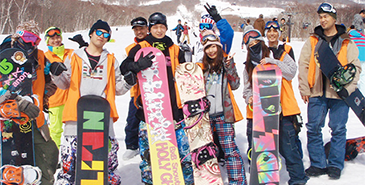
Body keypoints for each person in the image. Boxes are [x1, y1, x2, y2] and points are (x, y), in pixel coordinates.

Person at [52, 19, 132, 185]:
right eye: (99, 32)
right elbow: (64, 83)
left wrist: (128, 82)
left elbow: (118, 88)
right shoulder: (75, 57)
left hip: (102, 120)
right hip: (76, 119)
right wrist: (56, 74)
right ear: (91, 34)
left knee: (106, 167)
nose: (102, 37)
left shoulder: (110, 59)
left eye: (106, 34)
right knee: (70, 168)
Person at [119, 12, 194, 185]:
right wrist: (137, 66)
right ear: (150, 29)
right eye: (155, 27)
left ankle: (187, 181)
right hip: (149, 109)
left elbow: (185, 73)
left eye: (162, 27)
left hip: (174, 109)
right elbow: (124, 67)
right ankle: (149, 181)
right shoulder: (141, 46)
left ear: (166, 28)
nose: (159, 30)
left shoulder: (174, 48)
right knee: (150, 154)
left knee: (183, 152)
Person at [298, 2, 361, 179]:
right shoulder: (313, 40)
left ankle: (335, 164)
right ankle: (317, 163)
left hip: (339, 95)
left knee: (338, 129)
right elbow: (303, 64)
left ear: (334, 18)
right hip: (317, 92)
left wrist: (349, 89)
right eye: (321, 17)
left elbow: (355, 67)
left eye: (326, 17)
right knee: (313, 128)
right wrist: (304, 87)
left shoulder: (346, 41)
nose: (323, 20)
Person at [0, 20, 59, 185]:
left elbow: (48, 82)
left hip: (36, 119)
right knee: (15, 166)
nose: (31, 43)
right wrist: (17, 102)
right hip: (9, 124)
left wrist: (44, 93)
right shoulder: (4, 55)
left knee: (50, 154)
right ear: (18, 35)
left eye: (35, 40)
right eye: (28, 38)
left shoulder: (39, 56)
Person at [199, 30, 247, 184]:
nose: (211, 50)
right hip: (205, 116)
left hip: (223, 114)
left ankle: (237, 181)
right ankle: (209, 180)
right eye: (207, 47)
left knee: (230, 150)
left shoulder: (226, 64)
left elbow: (235, 85)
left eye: (214, 46)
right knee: (205, 152)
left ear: (219, 47)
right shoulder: (201, 68)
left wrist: (230, 67)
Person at [264, 21, 308, 184]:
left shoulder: (286, 50)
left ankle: (298, 178)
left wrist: (274, 62)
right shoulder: (262, 51)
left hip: (286, 106)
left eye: (275, 30)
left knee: (289, 147)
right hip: (267, 106)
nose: (272, 33)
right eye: (269, 31)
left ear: (280, 33)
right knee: (269, 147)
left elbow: (290, 73)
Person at [122, 17, 149, 160]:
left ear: (147, 28)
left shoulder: (154, 44)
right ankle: (132, 145)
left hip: (154, 88)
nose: (139, 31)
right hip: (137, 89)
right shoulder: (130, 48)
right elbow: (125, 66)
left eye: (142, 28)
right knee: (133, 118)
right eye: (136, 29)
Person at [44, 27, 73, 149]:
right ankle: (54, 158)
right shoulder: (44, 57)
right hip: (55, 99)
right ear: (47, 41)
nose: (56, 40)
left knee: (74, 130)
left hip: (72, 98)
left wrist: (84, 45)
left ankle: (73, 156)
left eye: (58, 37)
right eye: (52, 38)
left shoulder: (71, 53)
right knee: (55, 130)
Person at [348, 26, 365, 94]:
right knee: (363, 75)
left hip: (355, 58)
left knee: (355, 75)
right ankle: (363, 92)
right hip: (363, 58)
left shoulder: (350, 38)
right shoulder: (363, 37)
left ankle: (355, 92)